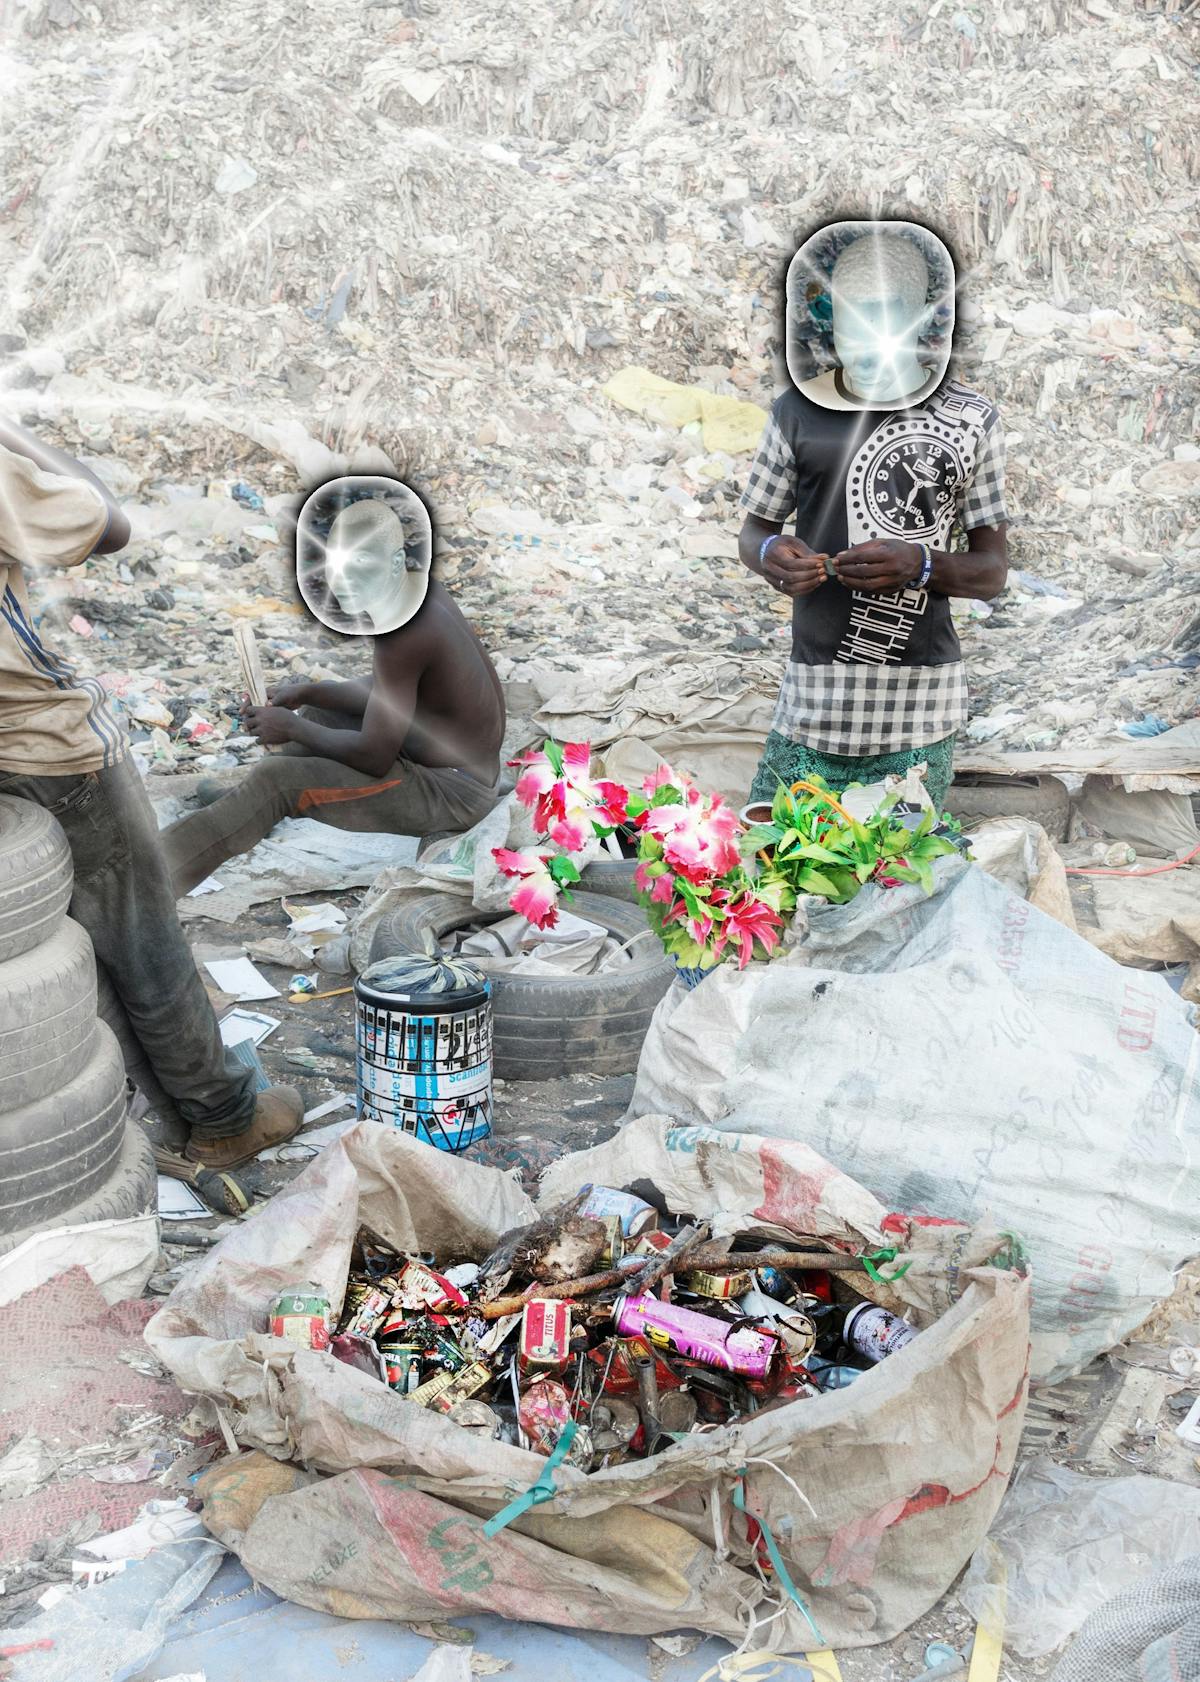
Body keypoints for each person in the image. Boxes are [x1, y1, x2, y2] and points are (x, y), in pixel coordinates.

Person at [0, 419, 303, 1170]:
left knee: (60, 948)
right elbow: (109, 524)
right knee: (144, 939)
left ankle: (133, 1110)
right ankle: (224, 1119)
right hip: (48, 746)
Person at [739, 224, 1008, 811]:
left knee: (892, 859)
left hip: (921, 703)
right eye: (850, 323)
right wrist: (770, 556)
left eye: (883, 324)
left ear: (918, 322)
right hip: (815, 694)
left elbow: (991, 572)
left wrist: (921, 565)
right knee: (775, 849)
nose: (864, 344)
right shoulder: (796, 412)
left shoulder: (970, 420)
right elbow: (755, 531)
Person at [162, 577, 507, 896]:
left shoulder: (402, 632)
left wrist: (291, 727)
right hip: (448, 760)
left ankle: (151, 881)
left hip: (452, 793)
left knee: (277, 781)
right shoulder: (419, 592)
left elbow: (374, 757)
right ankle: (245, 808)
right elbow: (389, 687)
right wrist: (307, 693)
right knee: (319, 714)